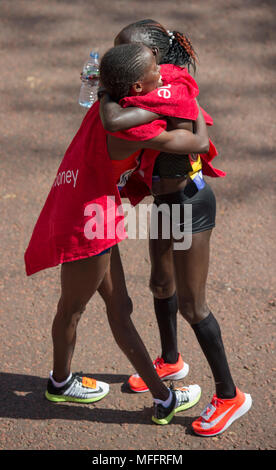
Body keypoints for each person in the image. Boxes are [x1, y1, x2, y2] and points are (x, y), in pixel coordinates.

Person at [25, 43, 208, 424]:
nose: (160, 75)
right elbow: (197, 143)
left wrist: (114, 87)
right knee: (76, 309)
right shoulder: (135, 127)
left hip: (90, 208)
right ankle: (163, 399)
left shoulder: (111, 105)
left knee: (116, 307)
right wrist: (191, 104)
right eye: (153, 73)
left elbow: (129, 92)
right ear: (137, 89)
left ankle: (64, 382)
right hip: (88, 222)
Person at [99, 20, 252, 436]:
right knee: (159, 284)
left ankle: (229, 396)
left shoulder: (171, 88)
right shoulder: (155, 84)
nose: (120, 61)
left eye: (128, 55)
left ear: (156, 60)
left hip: (190, 204)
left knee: (192, 305)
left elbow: (115, 124)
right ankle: (171, 361)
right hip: (165, 201)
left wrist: (103, 89)